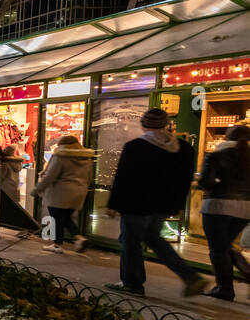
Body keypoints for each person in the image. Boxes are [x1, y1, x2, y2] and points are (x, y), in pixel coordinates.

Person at [105, 108, 207, 297]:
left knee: (130, 241)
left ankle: (132, 283)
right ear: (165, 124)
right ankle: (190, 276)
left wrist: (113, 203)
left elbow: (124, 177)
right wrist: (176, 205)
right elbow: (184, 180)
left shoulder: (135, 146)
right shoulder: (185, 149)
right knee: (154, 239)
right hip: (162, 205)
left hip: (136, 204)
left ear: (143, 125)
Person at [197, 124, 250, 300]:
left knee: (218, 249)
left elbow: (205, 181)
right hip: (245, 209)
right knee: (224, 245)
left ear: (227, 137)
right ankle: (245, 272)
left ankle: (224, 289)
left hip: (217, 206)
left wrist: (217, 185)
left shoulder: (216, 155)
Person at [34, 135, 93, 254]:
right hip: (78, 192)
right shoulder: (86, 158)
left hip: (60, 192)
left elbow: (50, 176)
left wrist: (37, 189)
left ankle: (57, 245)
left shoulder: (60, 156)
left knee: (57, 218)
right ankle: (79, 238)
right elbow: (90, 177)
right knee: (65, 218)